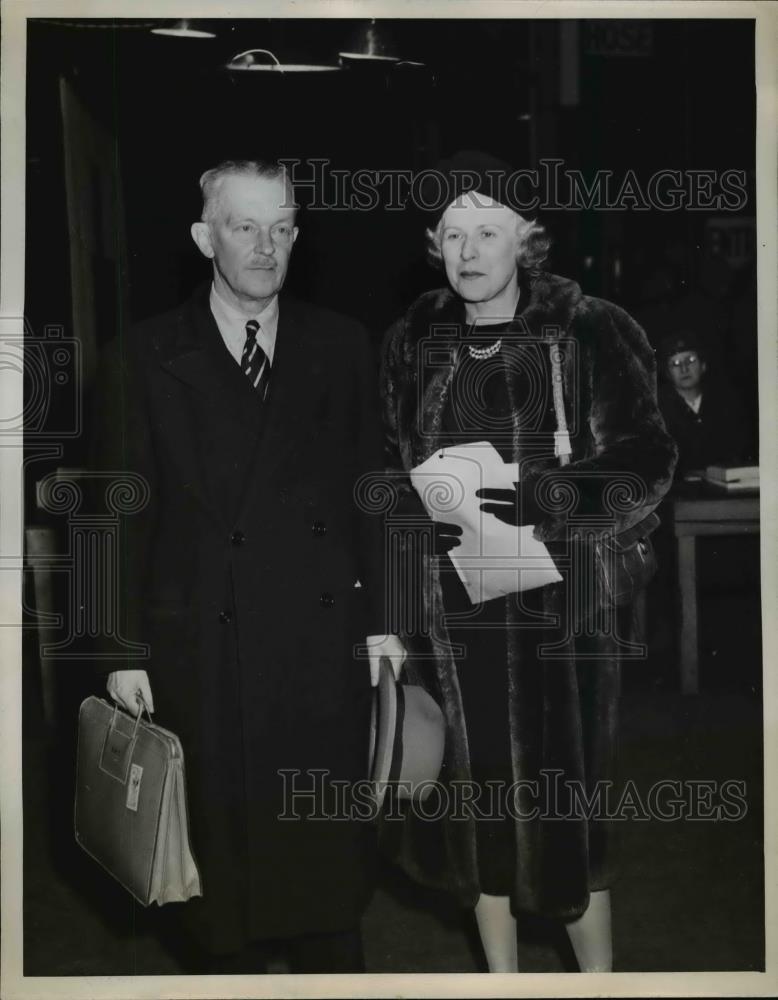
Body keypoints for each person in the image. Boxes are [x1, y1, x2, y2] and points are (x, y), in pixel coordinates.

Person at [91, 159, 405, 973]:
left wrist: (388, 624)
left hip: (320, 647)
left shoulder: (340, 343)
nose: (265, 246)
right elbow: (114, 513)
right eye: (243, 225)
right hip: (200, 648)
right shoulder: (144, 353)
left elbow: (372, 490)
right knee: (220, 902)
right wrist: (119, 651)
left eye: (282, 226)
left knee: (324, 887)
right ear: (205, 238)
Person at [379, 151, 677, 972]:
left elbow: (648, 456)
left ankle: (599, 984)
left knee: (566, 817)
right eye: (453, 233)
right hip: (453, 611)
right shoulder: (414, 338)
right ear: (435, 245)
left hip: (562, 613)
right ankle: (502, 984)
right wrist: (397, 620)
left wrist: (545, 499)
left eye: (488, 230)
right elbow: (390, 475)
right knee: (473, 817)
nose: (469, 250)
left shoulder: (589, 329)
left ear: (526, 241)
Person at [656, 329, 750, 479]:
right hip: (677, 493)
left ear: (703, 365)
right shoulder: (656, 411)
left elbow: (740, 452)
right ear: (667, 374)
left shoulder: (727, 405)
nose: (684, 368)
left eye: (691, 360)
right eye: (675, 364)